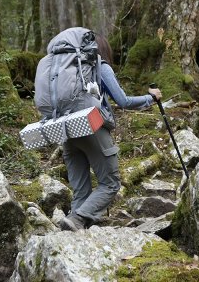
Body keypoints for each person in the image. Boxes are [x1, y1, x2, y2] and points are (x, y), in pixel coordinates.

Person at [59, 35, 162, 231]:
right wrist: (150, 98)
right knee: (111, 183)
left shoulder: (68, 70)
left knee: (81, 190)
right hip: (92, 127)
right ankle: (79, 218)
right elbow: (123, 101)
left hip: (66, 130)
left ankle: (72, 227)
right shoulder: (100, 66)